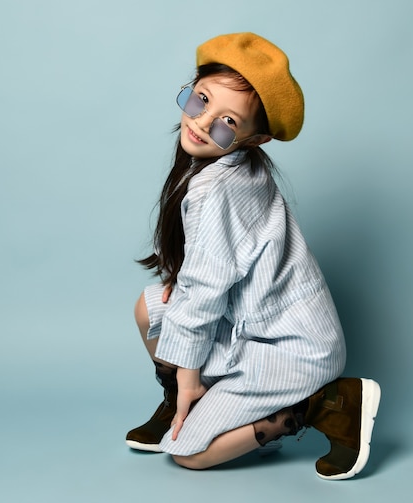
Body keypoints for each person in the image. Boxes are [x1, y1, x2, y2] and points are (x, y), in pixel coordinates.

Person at [125, 32, 381, 480]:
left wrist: (188, 377)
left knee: (187, 454)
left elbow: (205, 291)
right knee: (151, 309)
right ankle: (187, 405)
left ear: (255, 138)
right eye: (199, 100)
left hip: (293, 350)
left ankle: (318, 405)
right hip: (260, 326)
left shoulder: (217, 189)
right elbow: (213, 271)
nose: (202, 123)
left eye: (226, 122)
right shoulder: (234, 166)